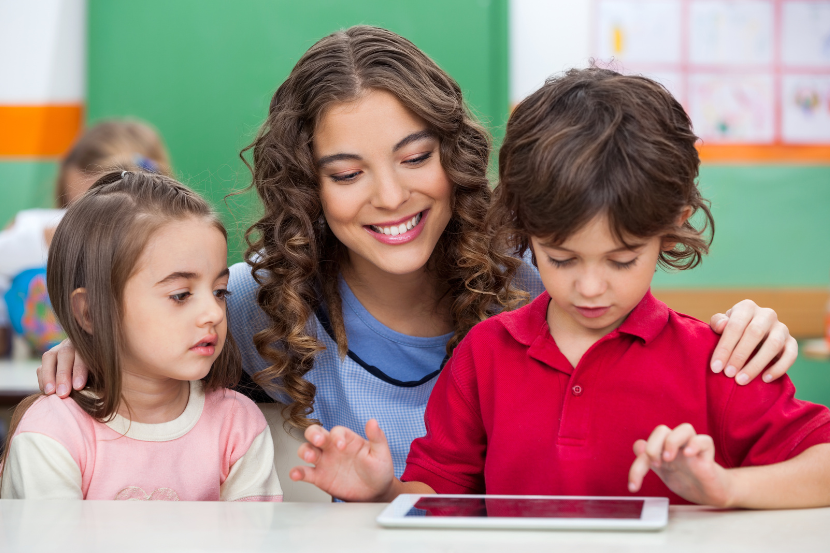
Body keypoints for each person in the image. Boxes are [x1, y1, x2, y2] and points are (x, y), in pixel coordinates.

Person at [39, 27, 799, 478]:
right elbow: (149, 366)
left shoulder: (538, 282)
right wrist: (92, 356)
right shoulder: (250, 303)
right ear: (308, 185)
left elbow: (642, 336)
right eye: (346, 173)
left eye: (414, 156)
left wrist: (741, 325)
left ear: (455, 153)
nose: (390, 195)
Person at [290, 68, 830, 509]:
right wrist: (384, 492)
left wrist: (726, 488)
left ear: (672, 225)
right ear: (522, 230)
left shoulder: (716, 362)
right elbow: (440, 495)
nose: (591, 287)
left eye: (622, 260)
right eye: (561, 258)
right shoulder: (485, 354)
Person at [1, 171, 282, 502]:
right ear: (90, 312)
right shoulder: (53, 434)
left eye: (220, 291)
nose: (215, 313)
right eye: (181, 294)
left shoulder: (237, 423)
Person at [0, 119, 172, 356]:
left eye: (107, 214)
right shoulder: (27, 237)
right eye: (73, 209)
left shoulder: (171, 253)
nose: (86, 225)